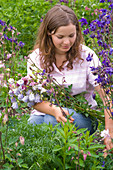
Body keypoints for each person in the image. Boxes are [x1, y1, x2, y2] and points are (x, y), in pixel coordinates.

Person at [27, 4, 113, 150]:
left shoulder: (87, 56)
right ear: (49, 33)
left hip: (82, 116)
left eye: (71, 36)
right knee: (33, 126)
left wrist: (109, 133)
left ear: (77, 32)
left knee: (51, 123)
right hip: (44, 113)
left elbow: (107, 97)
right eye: (60, 37)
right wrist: (54, 110)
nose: (67, 42)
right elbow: (32, 98)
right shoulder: (36, 58)